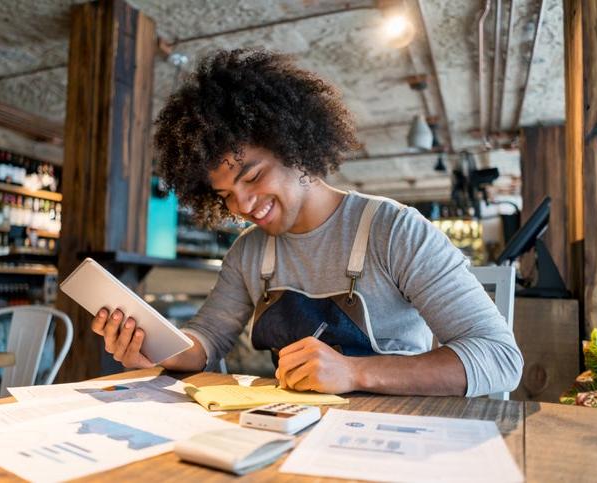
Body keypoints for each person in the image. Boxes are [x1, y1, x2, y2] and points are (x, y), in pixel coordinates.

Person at [91, 48, 523, 397]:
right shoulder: (248, 253)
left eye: (253, 176)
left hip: (398, 430)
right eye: (225, 195)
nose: (242, 204)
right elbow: (207, 340)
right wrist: (155, 348)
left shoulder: (394, 231)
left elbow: (499, 358)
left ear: (296, 149)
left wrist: (355, 373)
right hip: (289, 428)